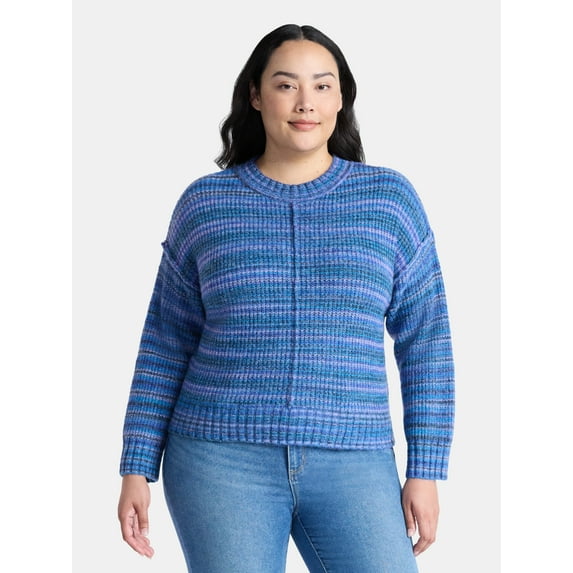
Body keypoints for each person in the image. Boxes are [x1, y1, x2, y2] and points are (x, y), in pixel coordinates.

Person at [117, 23, 455, 573]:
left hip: (356, 458)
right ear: (255, 95)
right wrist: (136, 464)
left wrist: (426, 468)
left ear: (341, 98)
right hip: (218, 460)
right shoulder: (206, 204)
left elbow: (427, 342)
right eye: (285, 85)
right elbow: (165, 341)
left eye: (322, 86)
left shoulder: (389, 201)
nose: (305, 103)